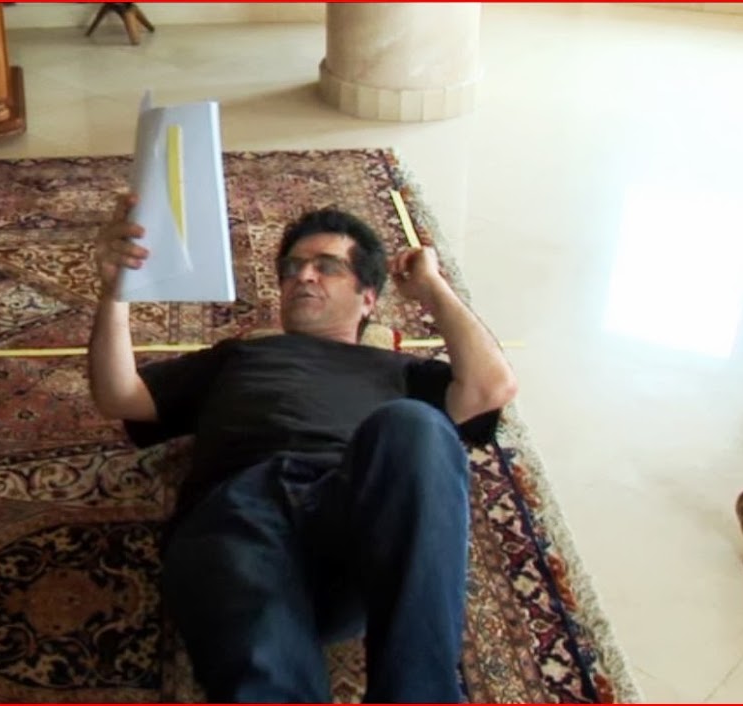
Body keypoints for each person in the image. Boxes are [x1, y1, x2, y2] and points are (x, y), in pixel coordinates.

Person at [87, 194, 518, 703]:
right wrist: (114, 292)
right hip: (238, 521)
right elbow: (120, 395)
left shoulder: (400, 372)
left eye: (327, 266)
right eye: (292, 268)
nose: (303, 276)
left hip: (351, 525)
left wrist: (432, 287)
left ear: (368, 298)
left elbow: (491, 387)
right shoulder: (238, 356)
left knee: (417, 425)